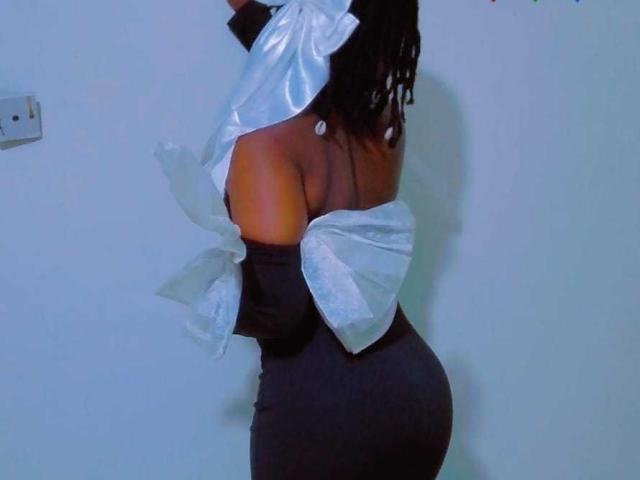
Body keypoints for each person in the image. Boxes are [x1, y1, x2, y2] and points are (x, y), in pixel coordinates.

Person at [154, 0, 453, 478]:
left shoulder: (266, 144)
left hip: (326, 417)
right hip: (415, 392)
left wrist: (216, 292)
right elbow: (298, 54)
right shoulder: (381, 119)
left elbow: (281, 310)